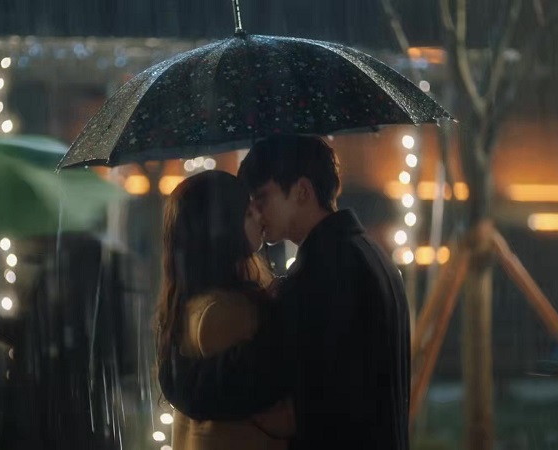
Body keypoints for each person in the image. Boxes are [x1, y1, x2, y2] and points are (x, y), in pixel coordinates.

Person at [158, 134, 411, 450]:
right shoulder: (366, 253)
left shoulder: (324, 272)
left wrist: (177, 375)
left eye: (262, 197)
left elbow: (250, 380)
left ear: (302, 191)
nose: (257, 211)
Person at [156, 170, 295, 450]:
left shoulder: (190, 304)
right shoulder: (227, 311)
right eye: (248, 212)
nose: (259, 216)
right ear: (223, 228)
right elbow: (273, 412)